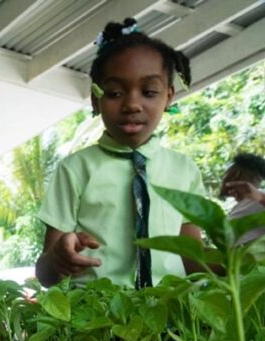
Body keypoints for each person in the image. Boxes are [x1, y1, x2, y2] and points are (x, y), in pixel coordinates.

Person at [35, 18, 204, 288]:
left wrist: (246, 255)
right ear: (95, 99)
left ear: (169, 96)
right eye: (114, 93)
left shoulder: (184, 171)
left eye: (149, 92)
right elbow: (45, 274)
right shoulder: (75, 169)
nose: (132, 104)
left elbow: (196, 261)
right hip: (93, 321)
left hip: (169, 319)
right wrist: (57, 259)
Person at [220, 152, 265, 244]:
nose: (222, 180)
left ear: (236, 174)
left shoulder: (261, 197)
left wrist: (261, 198)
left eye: (225, 176)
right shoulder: (246, 203)